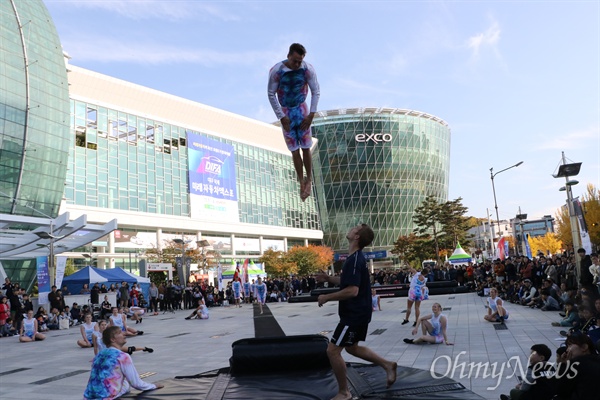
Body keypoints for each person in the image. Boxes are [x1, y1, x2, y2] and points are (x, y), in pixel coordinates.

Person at [316, 224, 397, 400]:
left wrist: (326, 297)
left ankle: (344, 393)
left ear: (357, 236)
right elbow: (347, 282)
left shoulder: (354, 260)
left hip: (354, 314)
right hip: (358, 312)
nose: (351, 228)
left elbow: (352, 290)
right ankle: (388, 365)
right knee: (351, 348)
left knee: (332, 351)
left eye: (354, 228)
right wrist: (329, 278)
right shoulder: (354, 258)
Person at [268, 43, 320, 201]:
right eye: (295, 61)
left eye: (300, 61)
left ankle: (309, 179)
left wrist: (311, 114)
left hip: (301, 109)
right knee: (294, 150)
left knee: (306, 147)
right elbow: (271, 93)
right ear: (289, 55)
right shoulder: (277, 71)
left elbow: (315, 90)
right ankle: (301, 181)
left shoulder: (307, 69)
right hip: (286, 111)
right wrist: (281, 117)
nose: (298, 64)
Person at [83, 326, 163, 399]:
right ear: (113, 339)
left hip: (89, 396)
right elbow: (136, 383)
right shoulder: (122, 356)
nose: (124, 334)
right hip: (106, 397)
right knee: (126, 384)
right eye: (120, 333)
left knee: (123, 382)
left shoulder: (100, 354)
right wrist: (154, 386)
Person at [554, 332, 600, 400]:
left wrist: (564, 365)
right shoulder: (596, 360)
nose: (567, 350)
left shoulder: (577, 364)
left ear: (584, 347)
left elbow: (560, 390)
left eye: (570, 345)